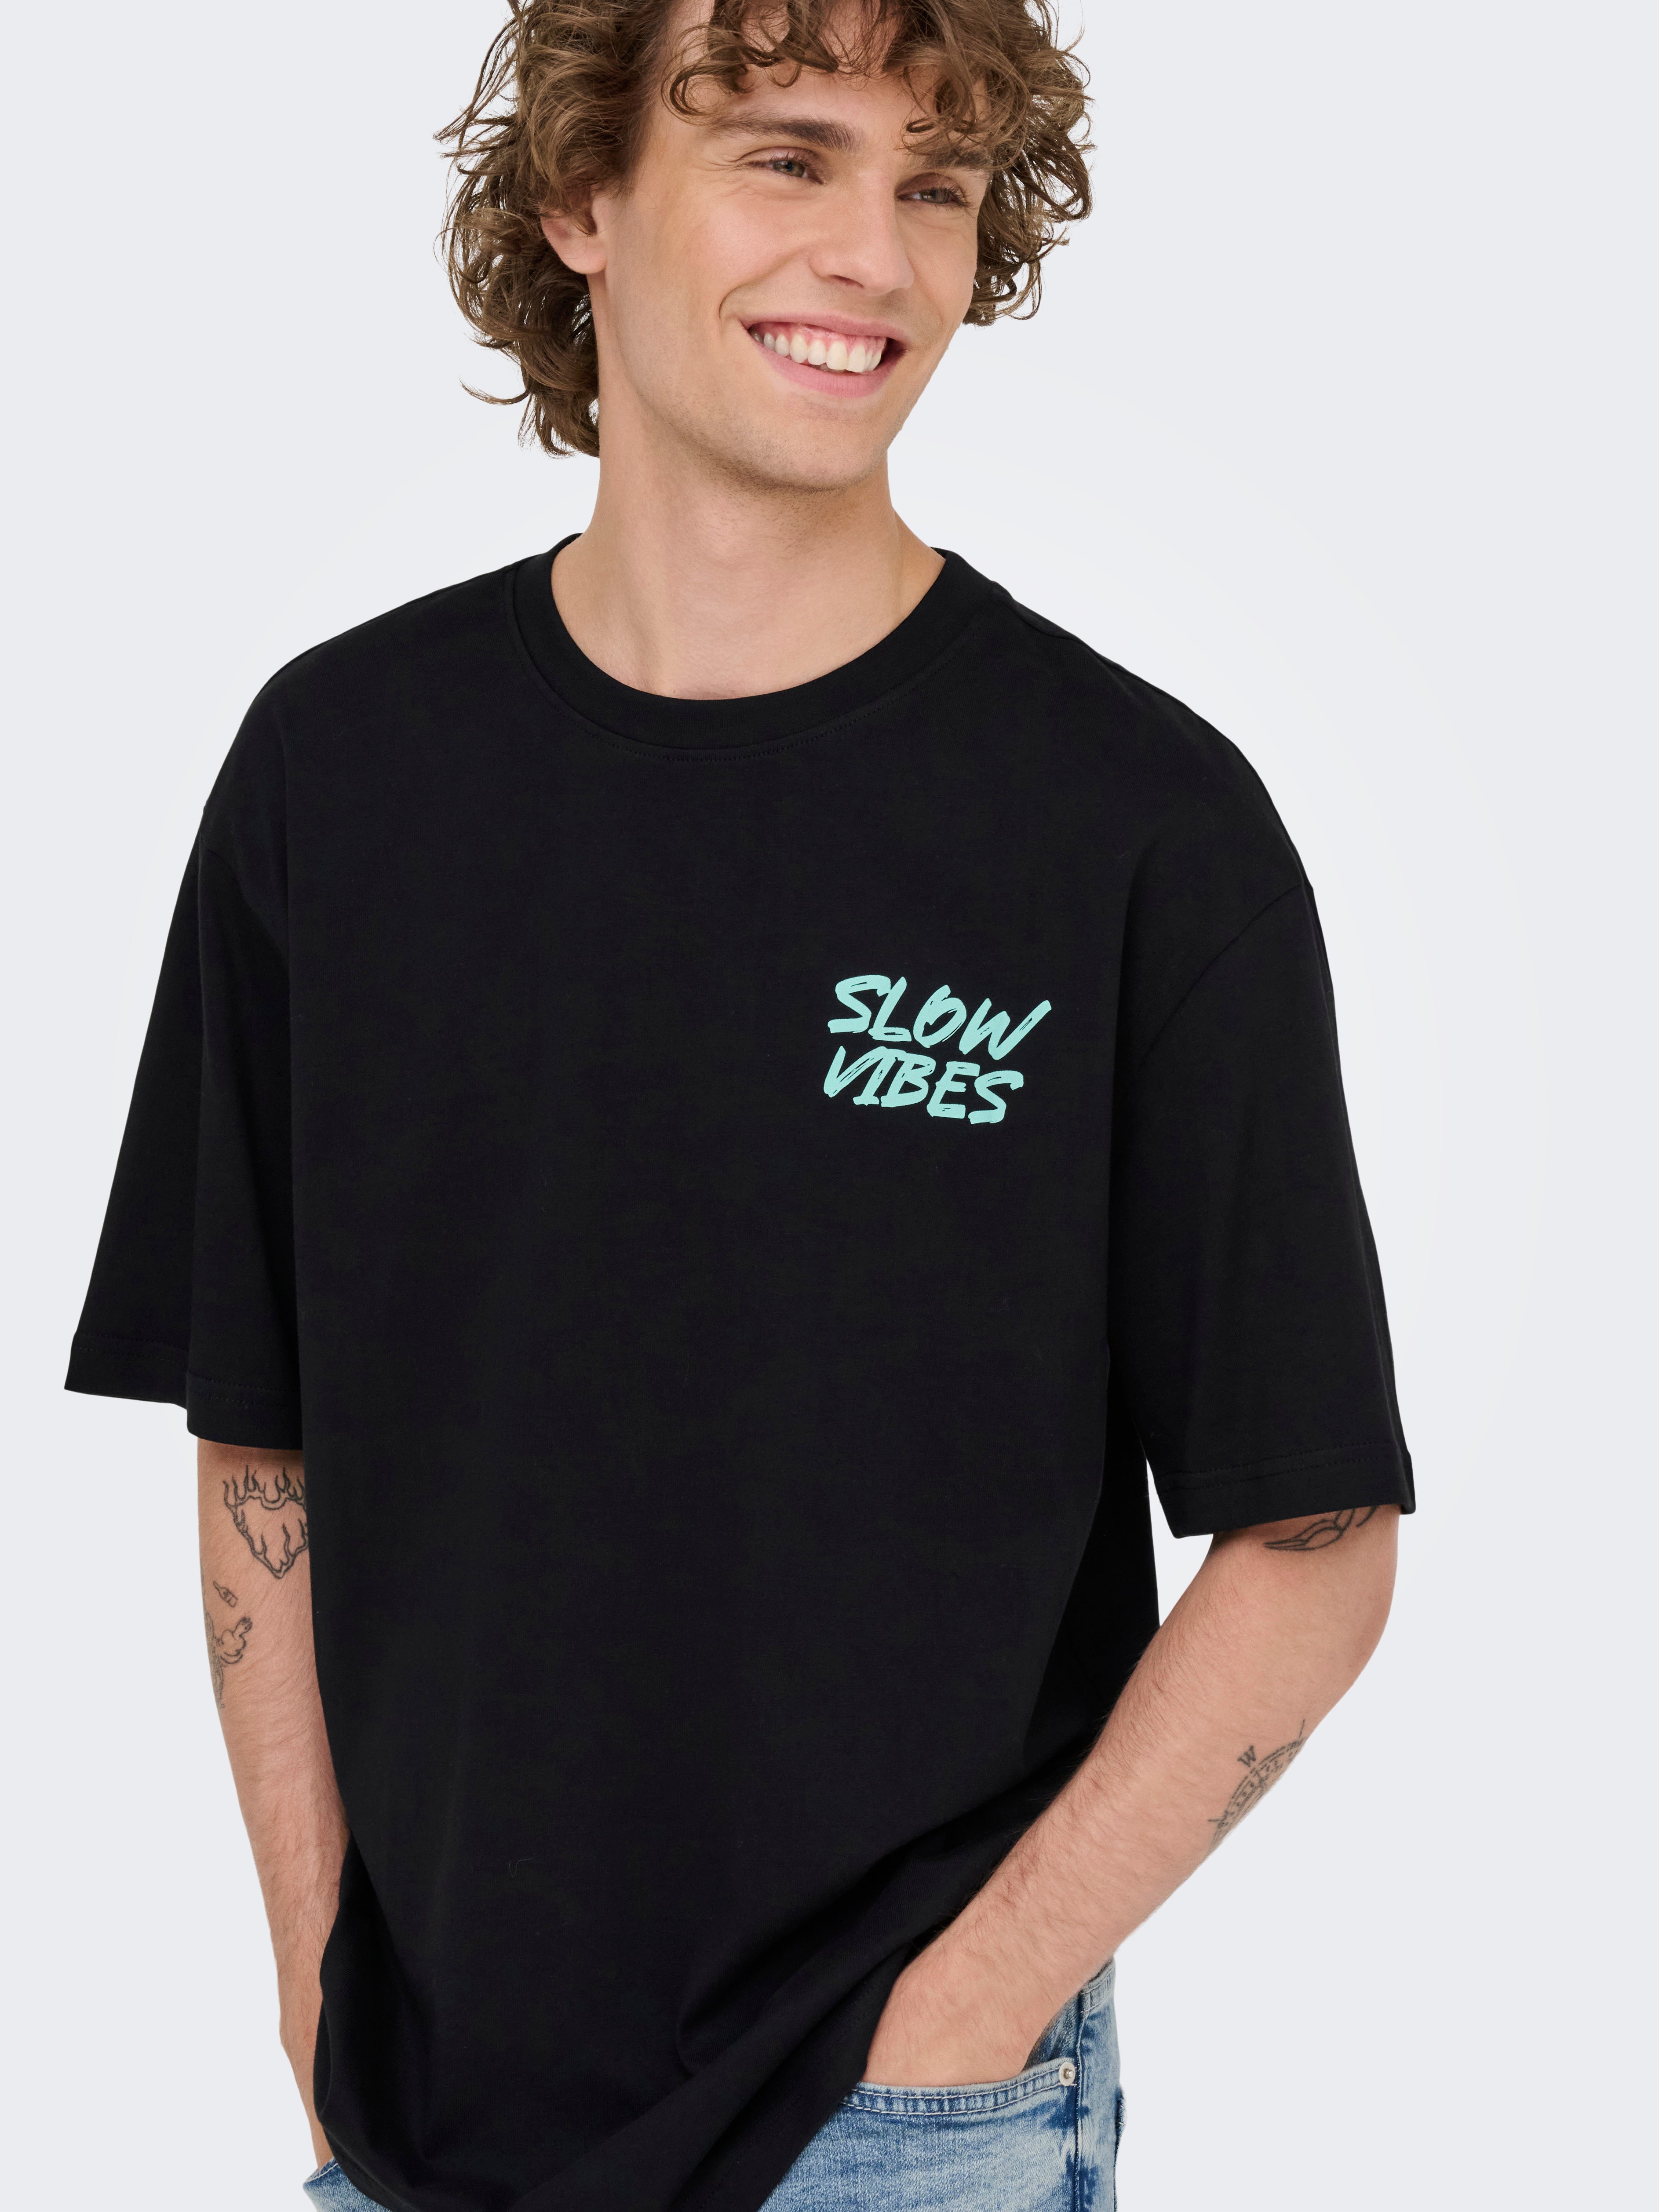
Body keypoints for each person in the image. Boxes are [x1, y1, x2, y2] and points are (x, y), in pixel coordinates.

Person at [65, 0, 1413, 2205]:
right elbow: (256, 1437)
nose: (872, 257)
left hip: (895, 2134)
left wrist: (958, 2022)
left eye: (933, 186)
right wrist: (310, 1985)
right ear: (578, 197)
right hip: (418, 2130)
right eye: (787, 157)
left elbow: (1313, 1537)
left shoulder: (1134, 828)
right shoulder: (340, 772)